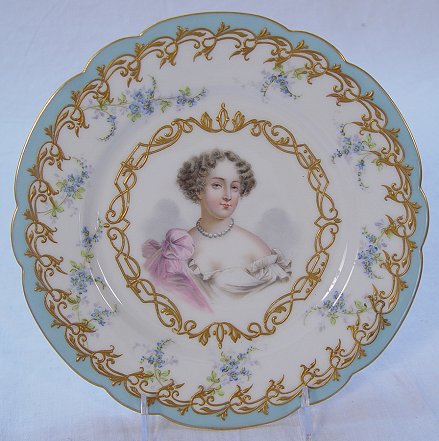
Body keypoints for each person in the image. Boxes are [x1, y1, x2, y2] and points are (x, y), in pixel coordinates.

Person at [142, 149, 291, 312]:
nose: (228, 195)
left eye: (235, 187)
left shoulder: (256, 248)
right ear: (198, 190)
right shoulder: (177, 247)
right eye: (217, 185)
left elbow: (273, 302)